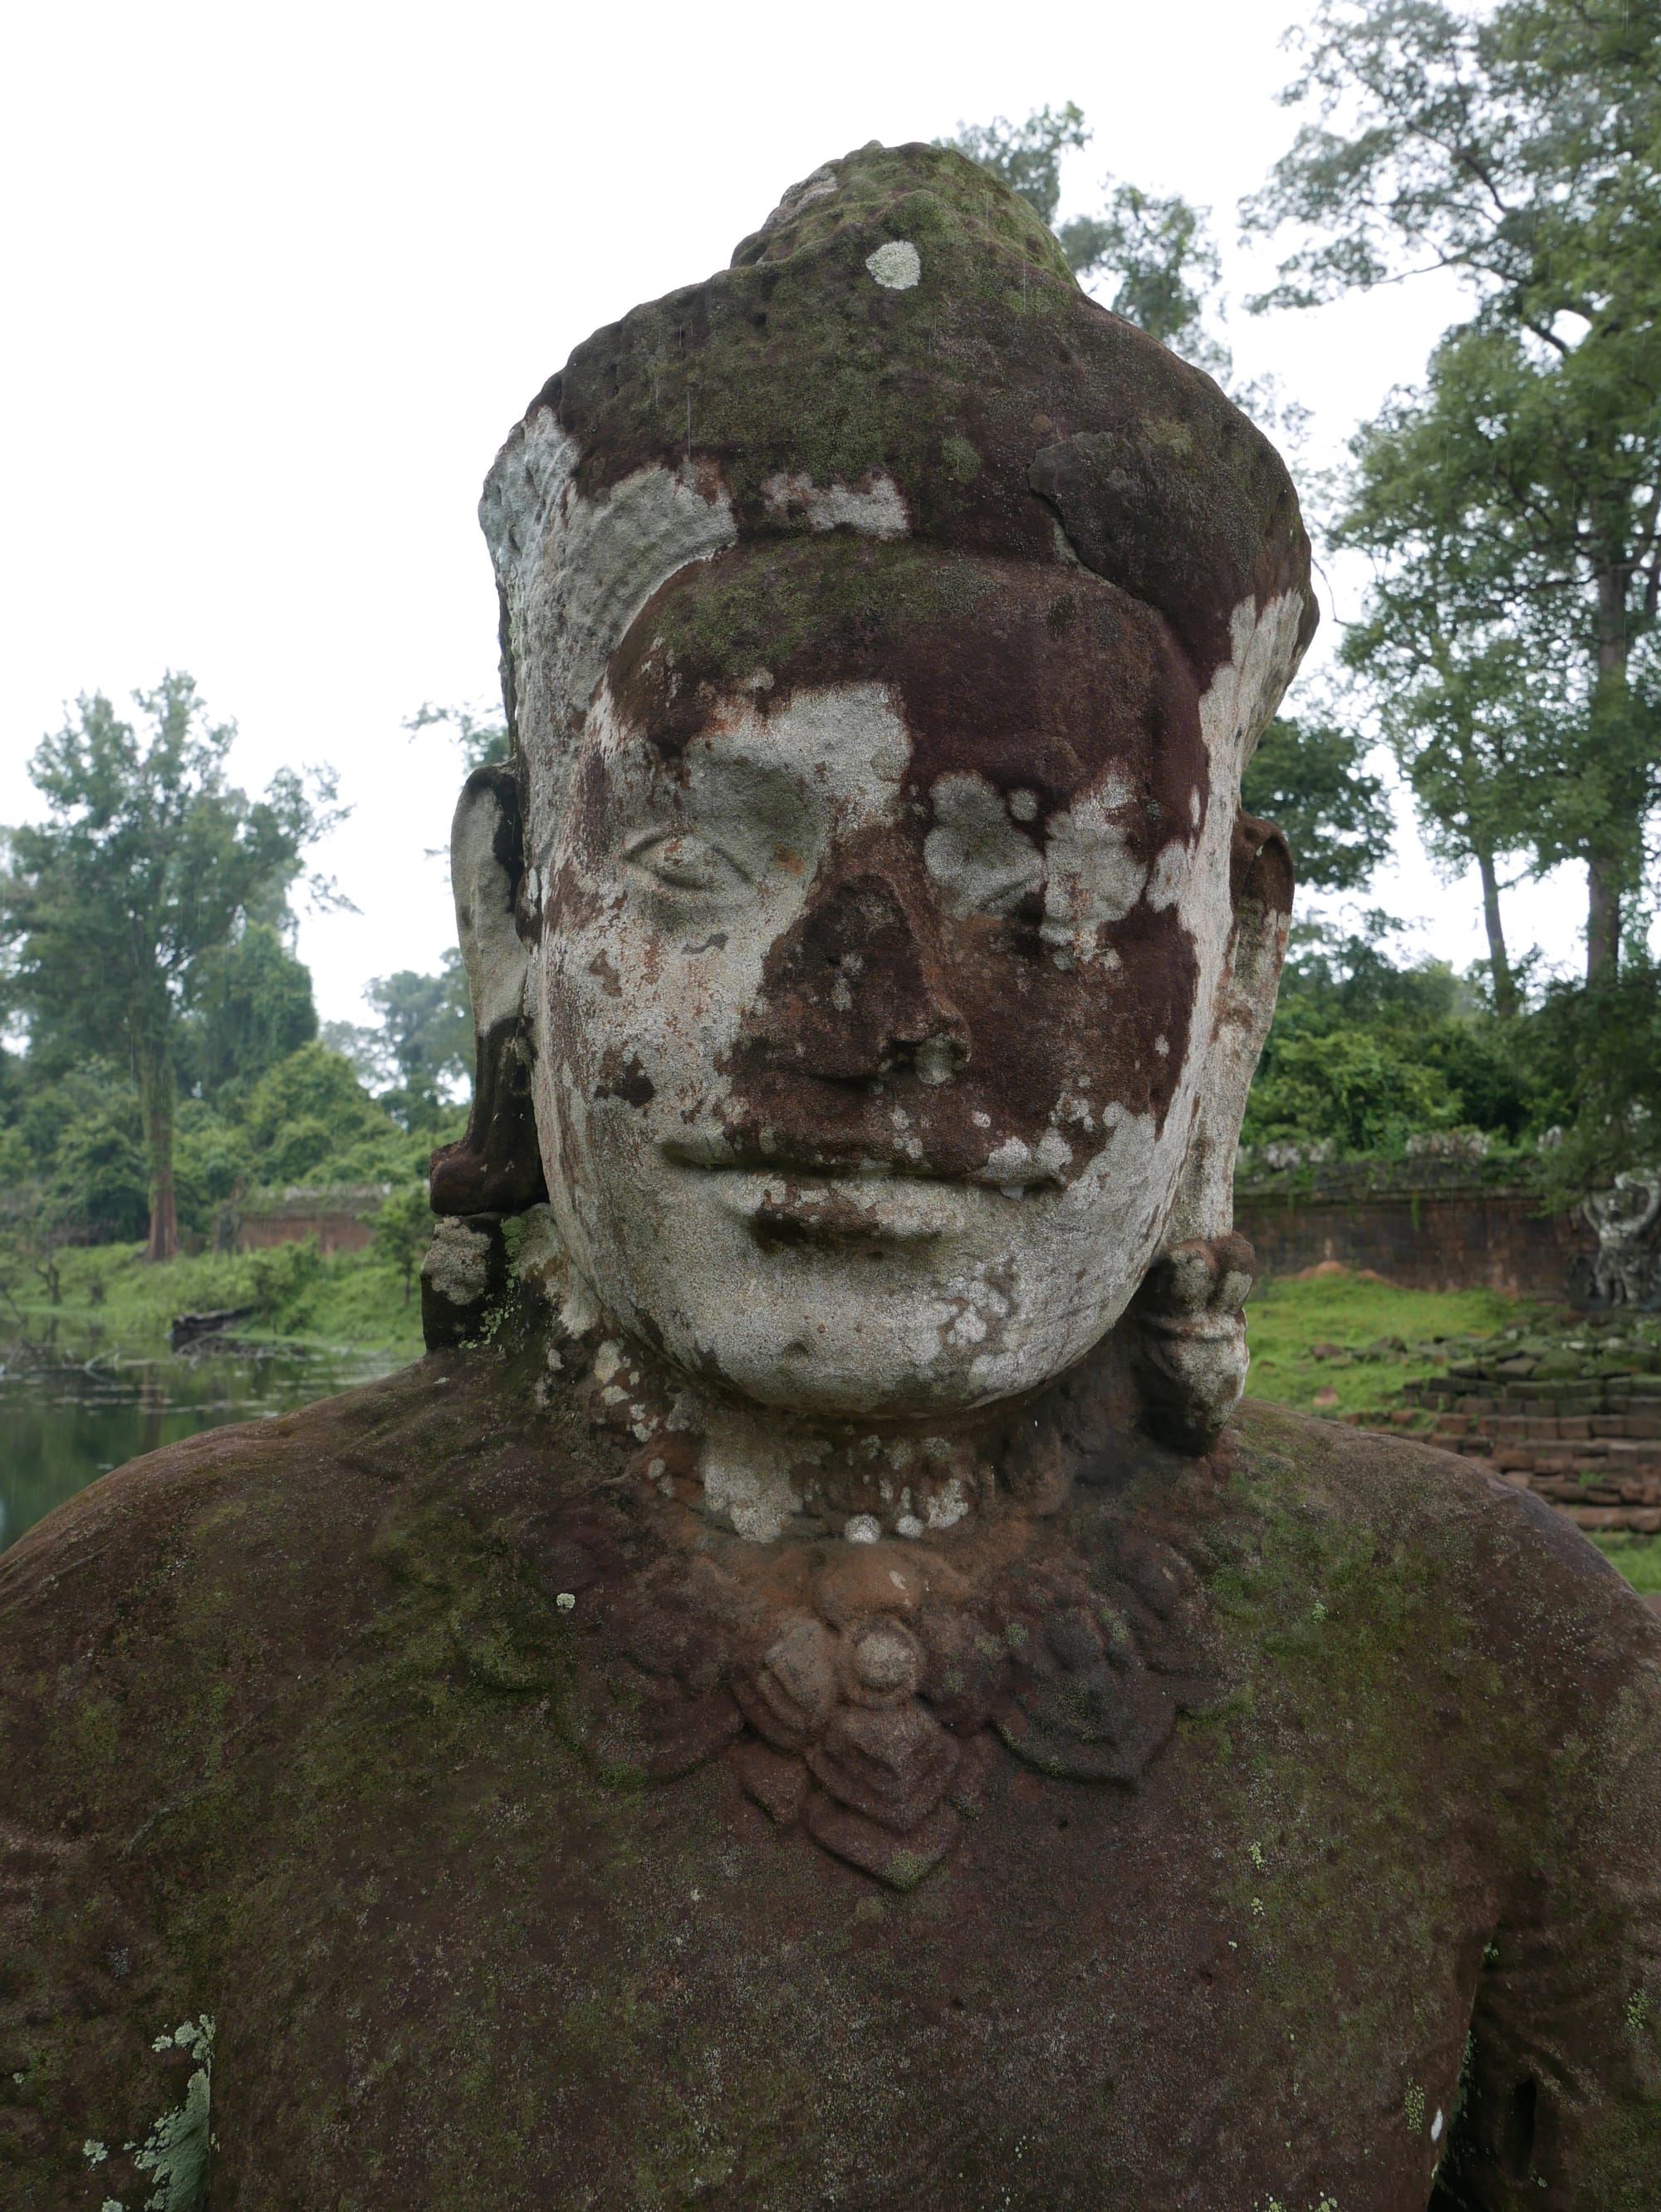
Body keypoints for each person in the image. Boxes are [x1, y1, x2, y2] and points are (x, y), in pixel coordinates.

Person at [2, 141, 1657, 2212]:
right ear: (518, 925)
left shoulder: (1509, 1673)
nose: (862, 1021)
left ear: (1229, 992)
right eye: (709, 863)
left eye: (1040, 890)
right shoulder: (143, 1658)